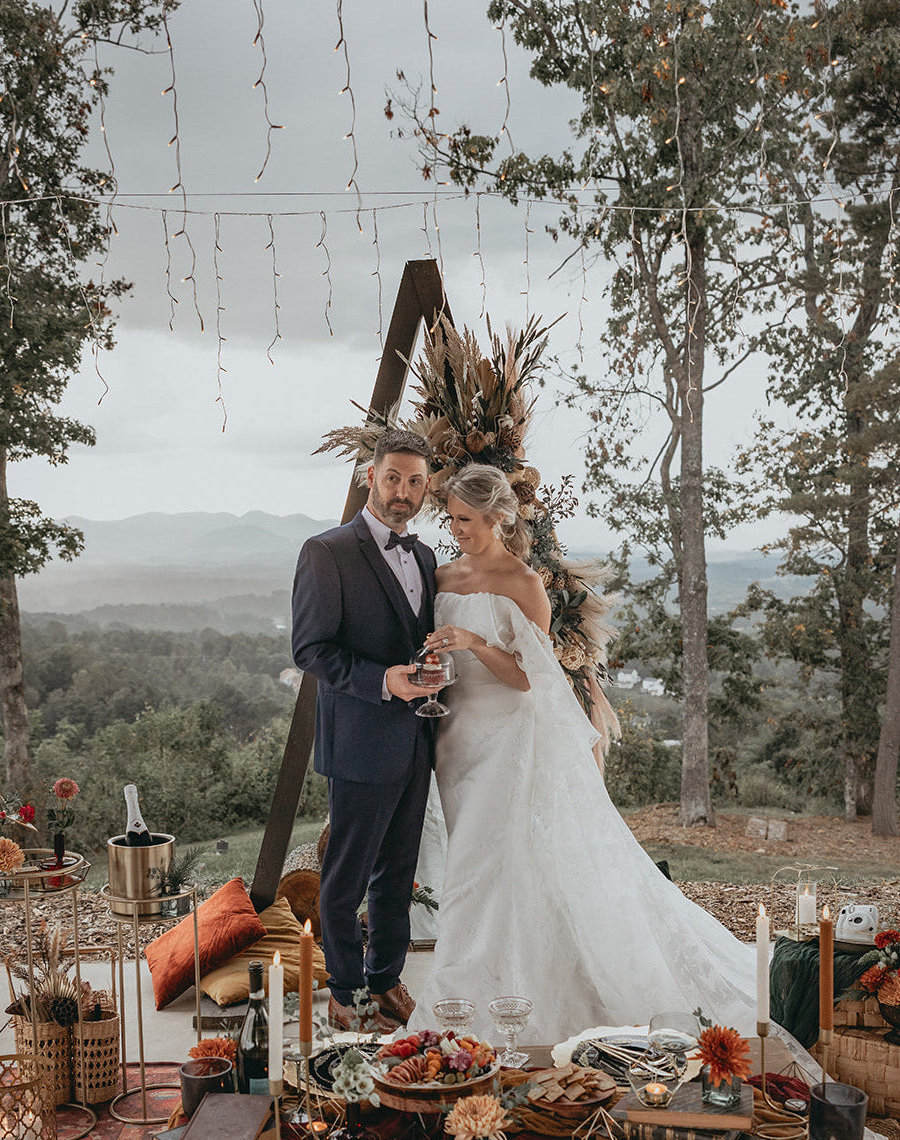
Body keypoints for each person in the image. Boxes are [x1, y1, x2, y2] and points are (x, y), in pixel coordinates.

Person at [419, 463, 763, 1044]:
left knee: (485, 861)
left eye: (468, 521)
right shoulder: (445, 574)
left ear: (499, 518)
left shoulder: (524, 583)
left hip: (506, 737)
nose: (456, 531)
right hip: (454, 734)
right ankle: (488, 974)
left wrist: (475, 642)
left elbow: (530, 678)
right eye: (451, 519)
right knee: (469, 861)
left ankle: (469, 993)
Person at [291, 430, 438, 1033]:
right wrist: (386, 682)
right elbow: (310, 649)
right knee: (345, 877)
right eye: (392, 478)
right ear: (369, 477)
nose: (402, 492)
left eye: (414, 481)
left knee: (398, 874)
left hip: (416, 743)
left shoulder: (426, 557)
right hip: (358, 742)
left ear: (427, 487)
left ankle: (386, 982)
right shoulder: (326, 552)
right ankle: (346, 991)